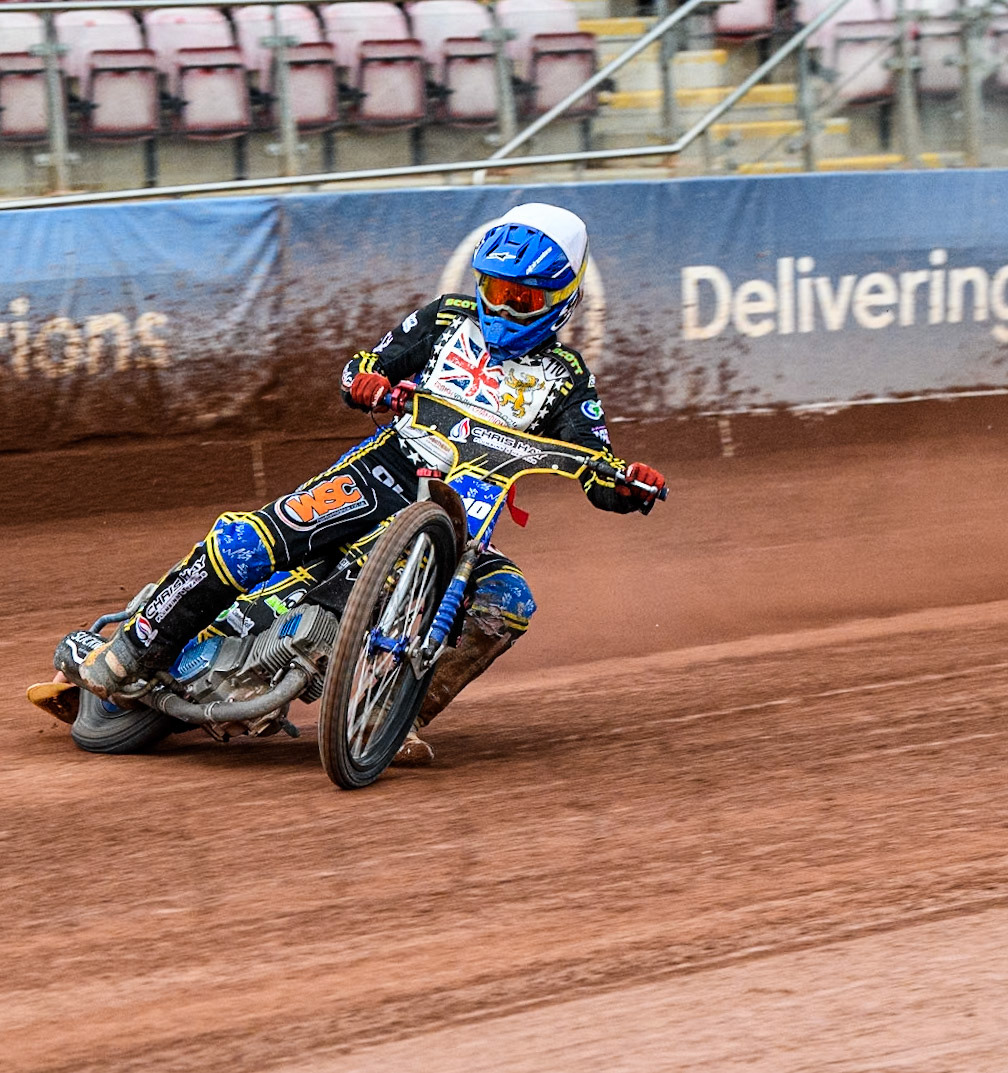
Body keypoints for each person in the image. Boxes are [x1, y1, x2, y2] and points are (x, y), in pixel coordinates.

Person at [66, 202, 665, 761]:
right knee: (247, 542)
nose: (504, 307)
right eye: (496, 290)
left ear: (562, 299)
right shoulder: (444, 319)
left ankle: (392, 715)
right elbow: (364, 365)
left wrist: (628, 486)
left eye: (522, 297)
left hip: (463, 516)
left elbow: (596, 468)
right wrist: (368, 384)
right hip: (388, 468)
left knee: (506, 603)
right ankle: (132, 651)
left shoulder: (566, 380)